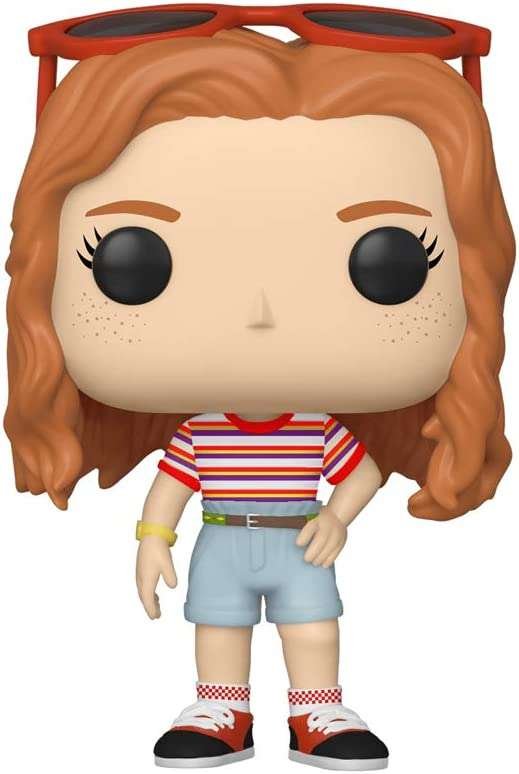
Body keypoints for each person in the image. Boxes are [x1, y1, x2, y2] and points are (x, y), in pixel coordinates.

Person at [5, 20, 513, 772]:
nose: (261, 313)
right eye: (132, 263)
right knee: (218, 627)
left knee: (313, 630)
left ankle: (318, 713)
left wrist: (337, 516)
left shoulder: (312, 429)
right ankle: (222, 711)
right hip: (221, 534)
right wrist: (152, 539)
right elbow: (173, 484)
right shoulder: (204, 432)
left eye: (390, 263)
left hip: (299, 536)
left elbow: (361, 470)